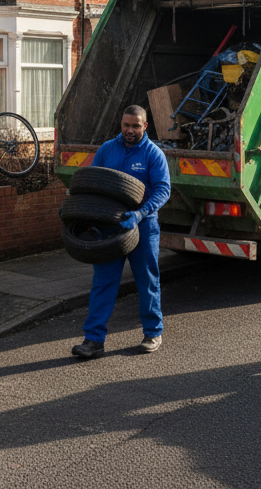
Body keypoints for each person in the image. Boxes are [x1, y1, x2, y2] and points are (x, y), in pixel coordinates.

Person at [71, 105, 171, 359]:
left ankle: (152, 333)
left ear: (145, 126)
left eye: (136, 126)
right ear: (121, 124)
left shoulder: (153, 154)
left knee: (147, 280)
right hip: (110, 225)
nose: (130, 130)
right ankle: (94, 340)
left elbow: (162, 190)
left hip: (143, 225)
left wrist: (140, 213)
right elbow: (94, 184)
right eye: (126, 125)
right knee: (103, 282)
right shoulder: (107, 150)